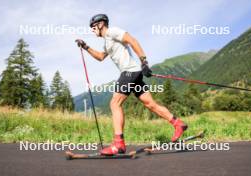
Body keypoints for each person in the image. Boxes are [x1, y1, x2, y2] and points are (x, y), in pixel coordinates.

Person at [76, 14, 188, 155]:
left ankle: (118, 144)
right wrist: (86, 47)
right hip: (134, 73)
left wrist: (144, 61)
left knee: (114, 104)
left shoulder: (112, 32)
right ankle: (178, 124)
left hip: (129, 72)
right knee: (150, 104)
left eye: (93, 27)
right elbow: (100, 57)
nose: (92, 30)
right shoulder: (106, 42)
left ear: (101, 24)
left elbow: (132, 40)